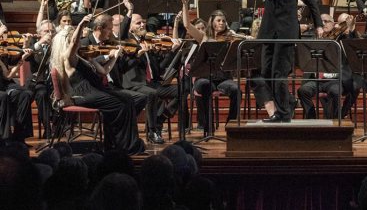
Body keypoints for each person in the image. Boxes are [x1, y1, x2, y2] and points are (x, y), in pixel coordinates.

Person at [50, 15, 145, 154]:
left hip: (96, 90)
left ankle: (119, 144)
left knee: (128, 99)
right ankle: (121, 146)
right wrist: (82, 23)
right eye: (77, 40)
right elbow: (74, 44)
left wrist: (115, 56)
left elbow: (104, 71)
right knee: (119, 104)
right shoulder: (68, 58)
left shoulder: (85, 56)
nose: (80, 42)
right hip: (83, 94)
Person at [258, 0, 322, 122]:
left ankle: (283, 113)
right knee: (265, 73)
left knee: (279, 73)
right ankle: (289, 102)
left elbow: (310, 1)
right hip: (268, 32)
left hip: (286, 31)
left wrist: (318, 24)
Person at [120, 14, 181, 144]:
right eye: (138, 23)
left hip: (152, 83)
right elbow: (125, 64)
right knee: (152, 94)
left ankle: (160, 118)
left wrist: (172, 51)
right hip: (135, 83)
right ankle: (152, 131)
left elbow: (159, 68)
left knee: (182, 90)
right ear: (130, 28)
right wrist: (139, 54)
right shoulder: (127, 42)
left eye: (143, 22)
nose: (142, 25)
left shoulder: (147, 42)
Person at [192, 10, 242, 134]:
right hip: (205, 76)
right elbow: (188, 26)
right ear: (212, 22)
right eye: (218, 20)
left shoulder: (229, 38)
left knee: (236, 90)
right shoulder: (204, 37)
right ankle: (208, 127)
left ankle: (231, 124)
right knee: (204, 85)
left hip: (223, 78)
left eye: (224, 21)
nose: (222, 23)